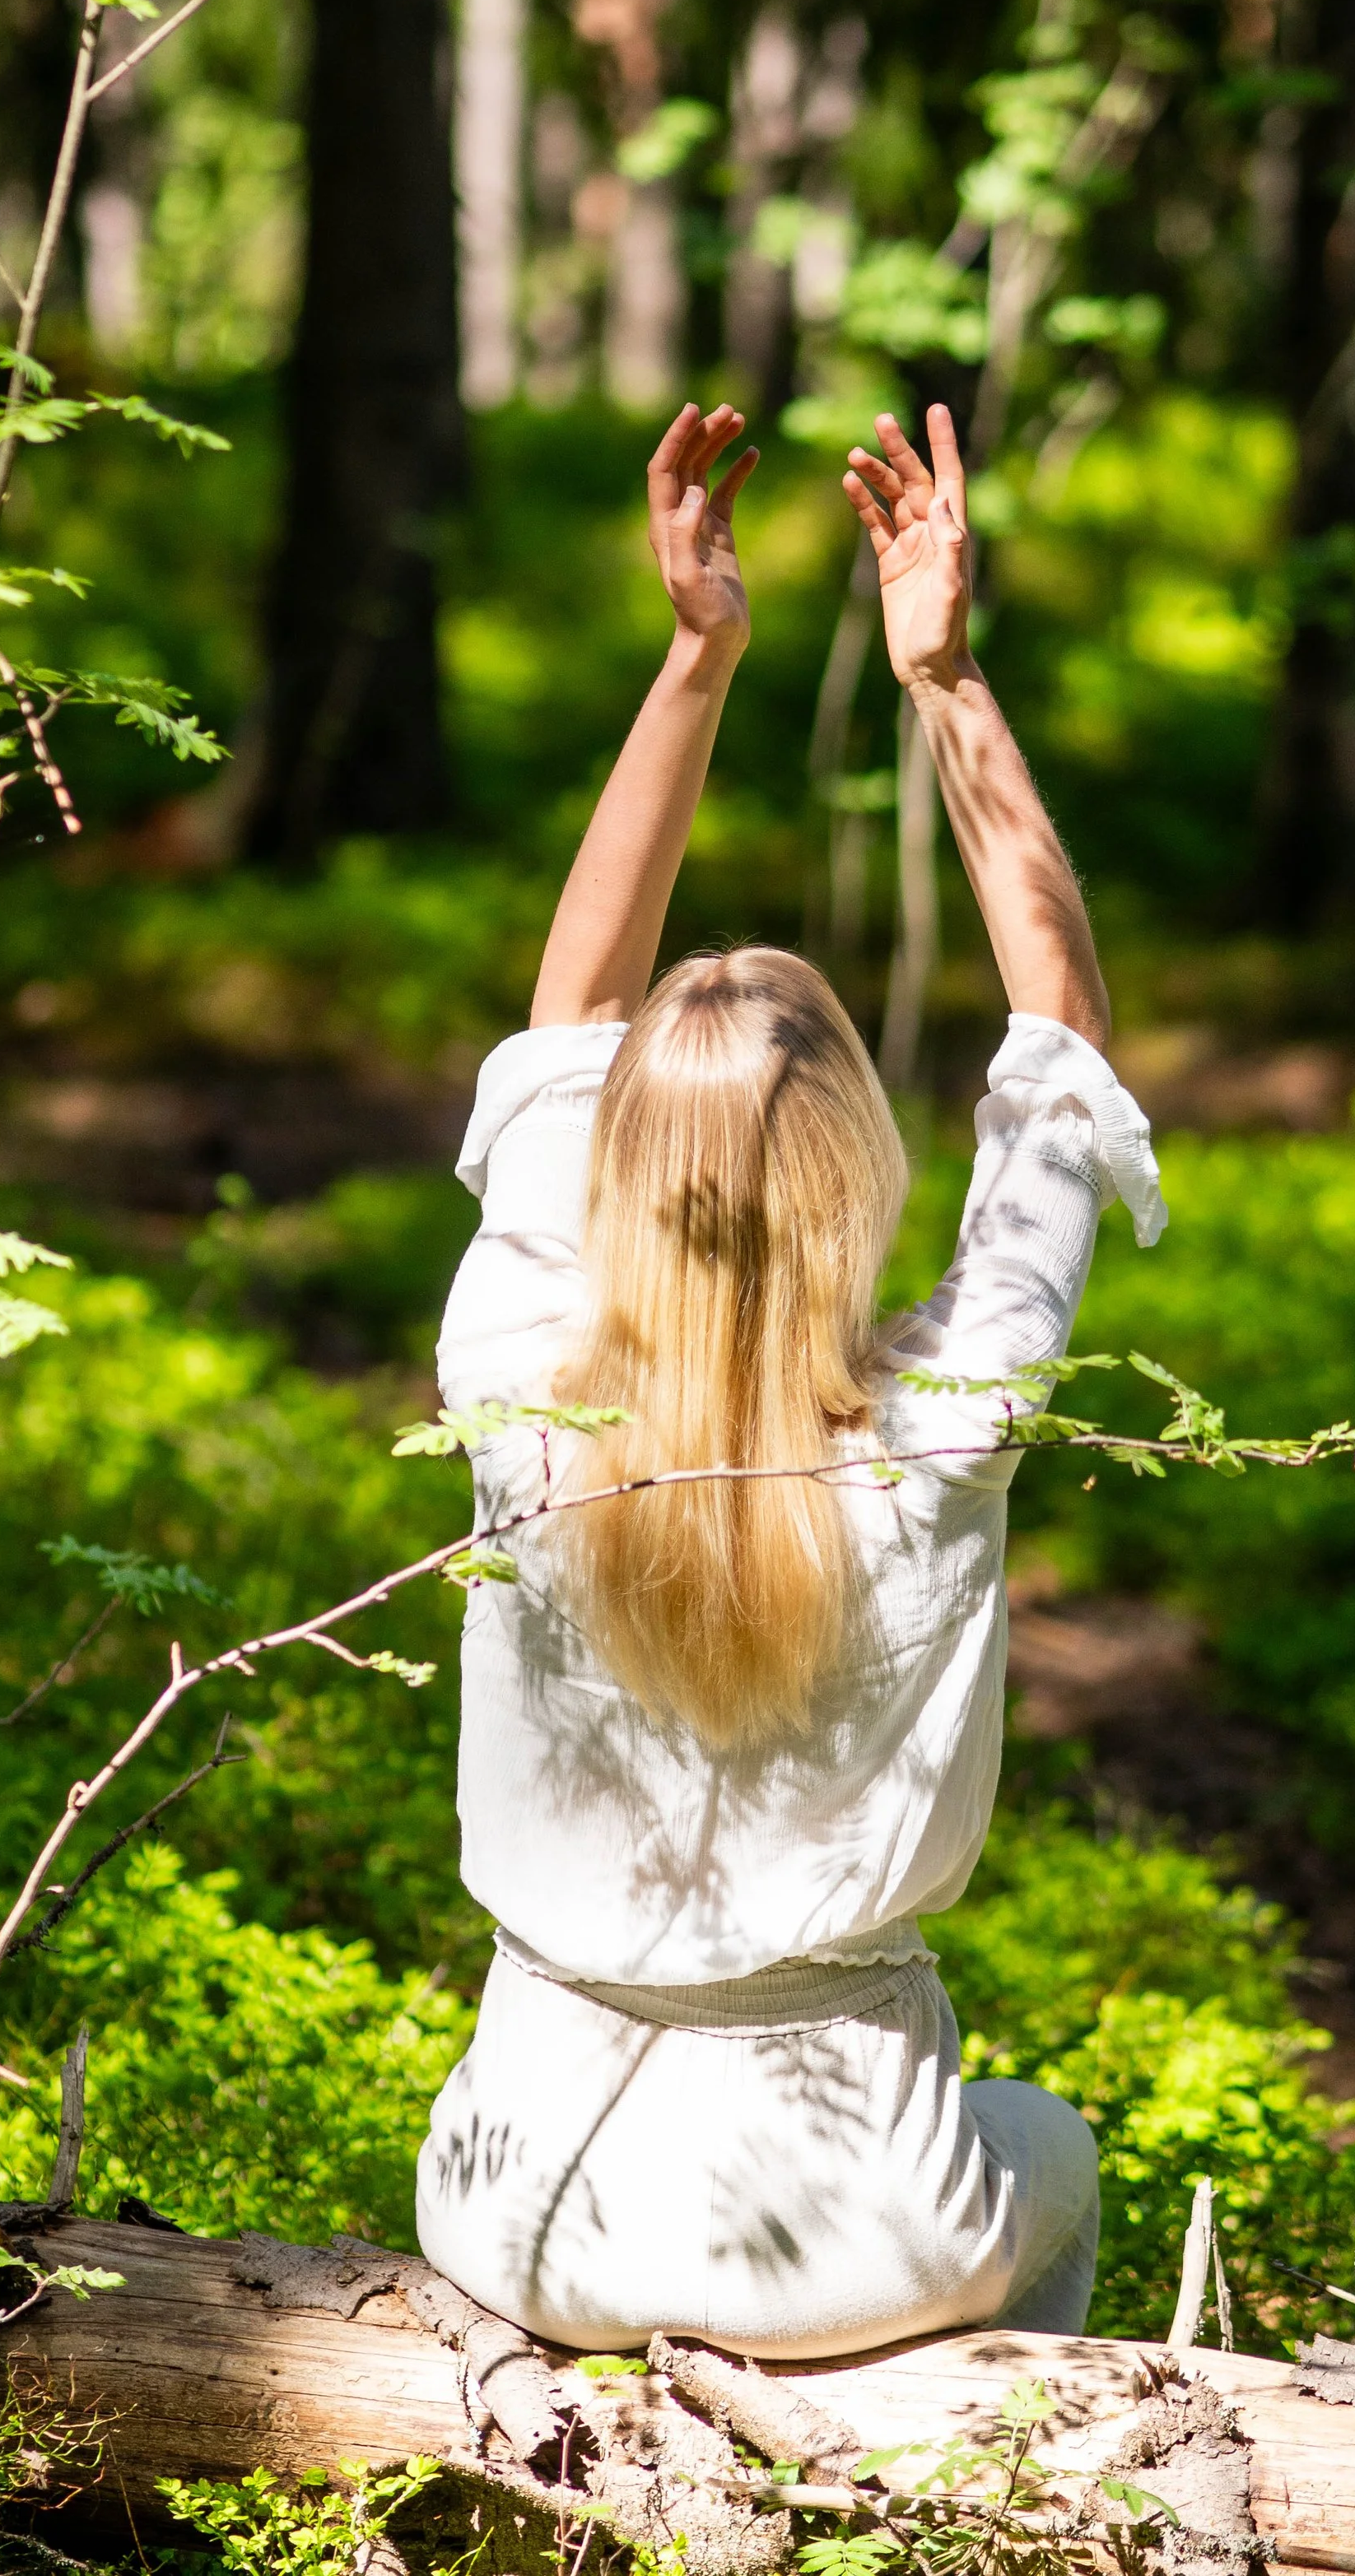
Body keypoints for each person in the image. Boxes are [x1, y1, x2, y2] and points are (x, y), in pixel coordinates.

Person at [417, 398, 1166, 2357]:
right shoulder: (944, 1432)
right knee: (1053, 2144)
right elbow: (1059, 1038)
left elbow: (570, 1013)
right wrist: (949, 679)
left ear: (615, 1178)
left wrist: (695, 652)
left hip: (523, 2201)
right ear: (858, 1181)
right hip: (861, 2234)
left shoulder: (520, 1394)